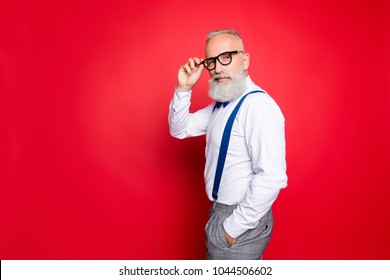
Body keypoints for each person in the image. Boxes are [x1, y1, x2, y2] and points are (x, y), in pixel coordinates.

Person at [168, 29, 287, 260]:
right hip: (221, 212)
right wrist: (184, 89)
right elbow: (179, 129)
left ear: (245, 60)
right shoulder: (220, 106)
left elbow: (272, 176)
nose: (218, 67)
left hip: (240, 220)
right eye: (211, 61)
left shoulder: (257, 106)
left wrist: (231, 229)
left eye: (226, 57)